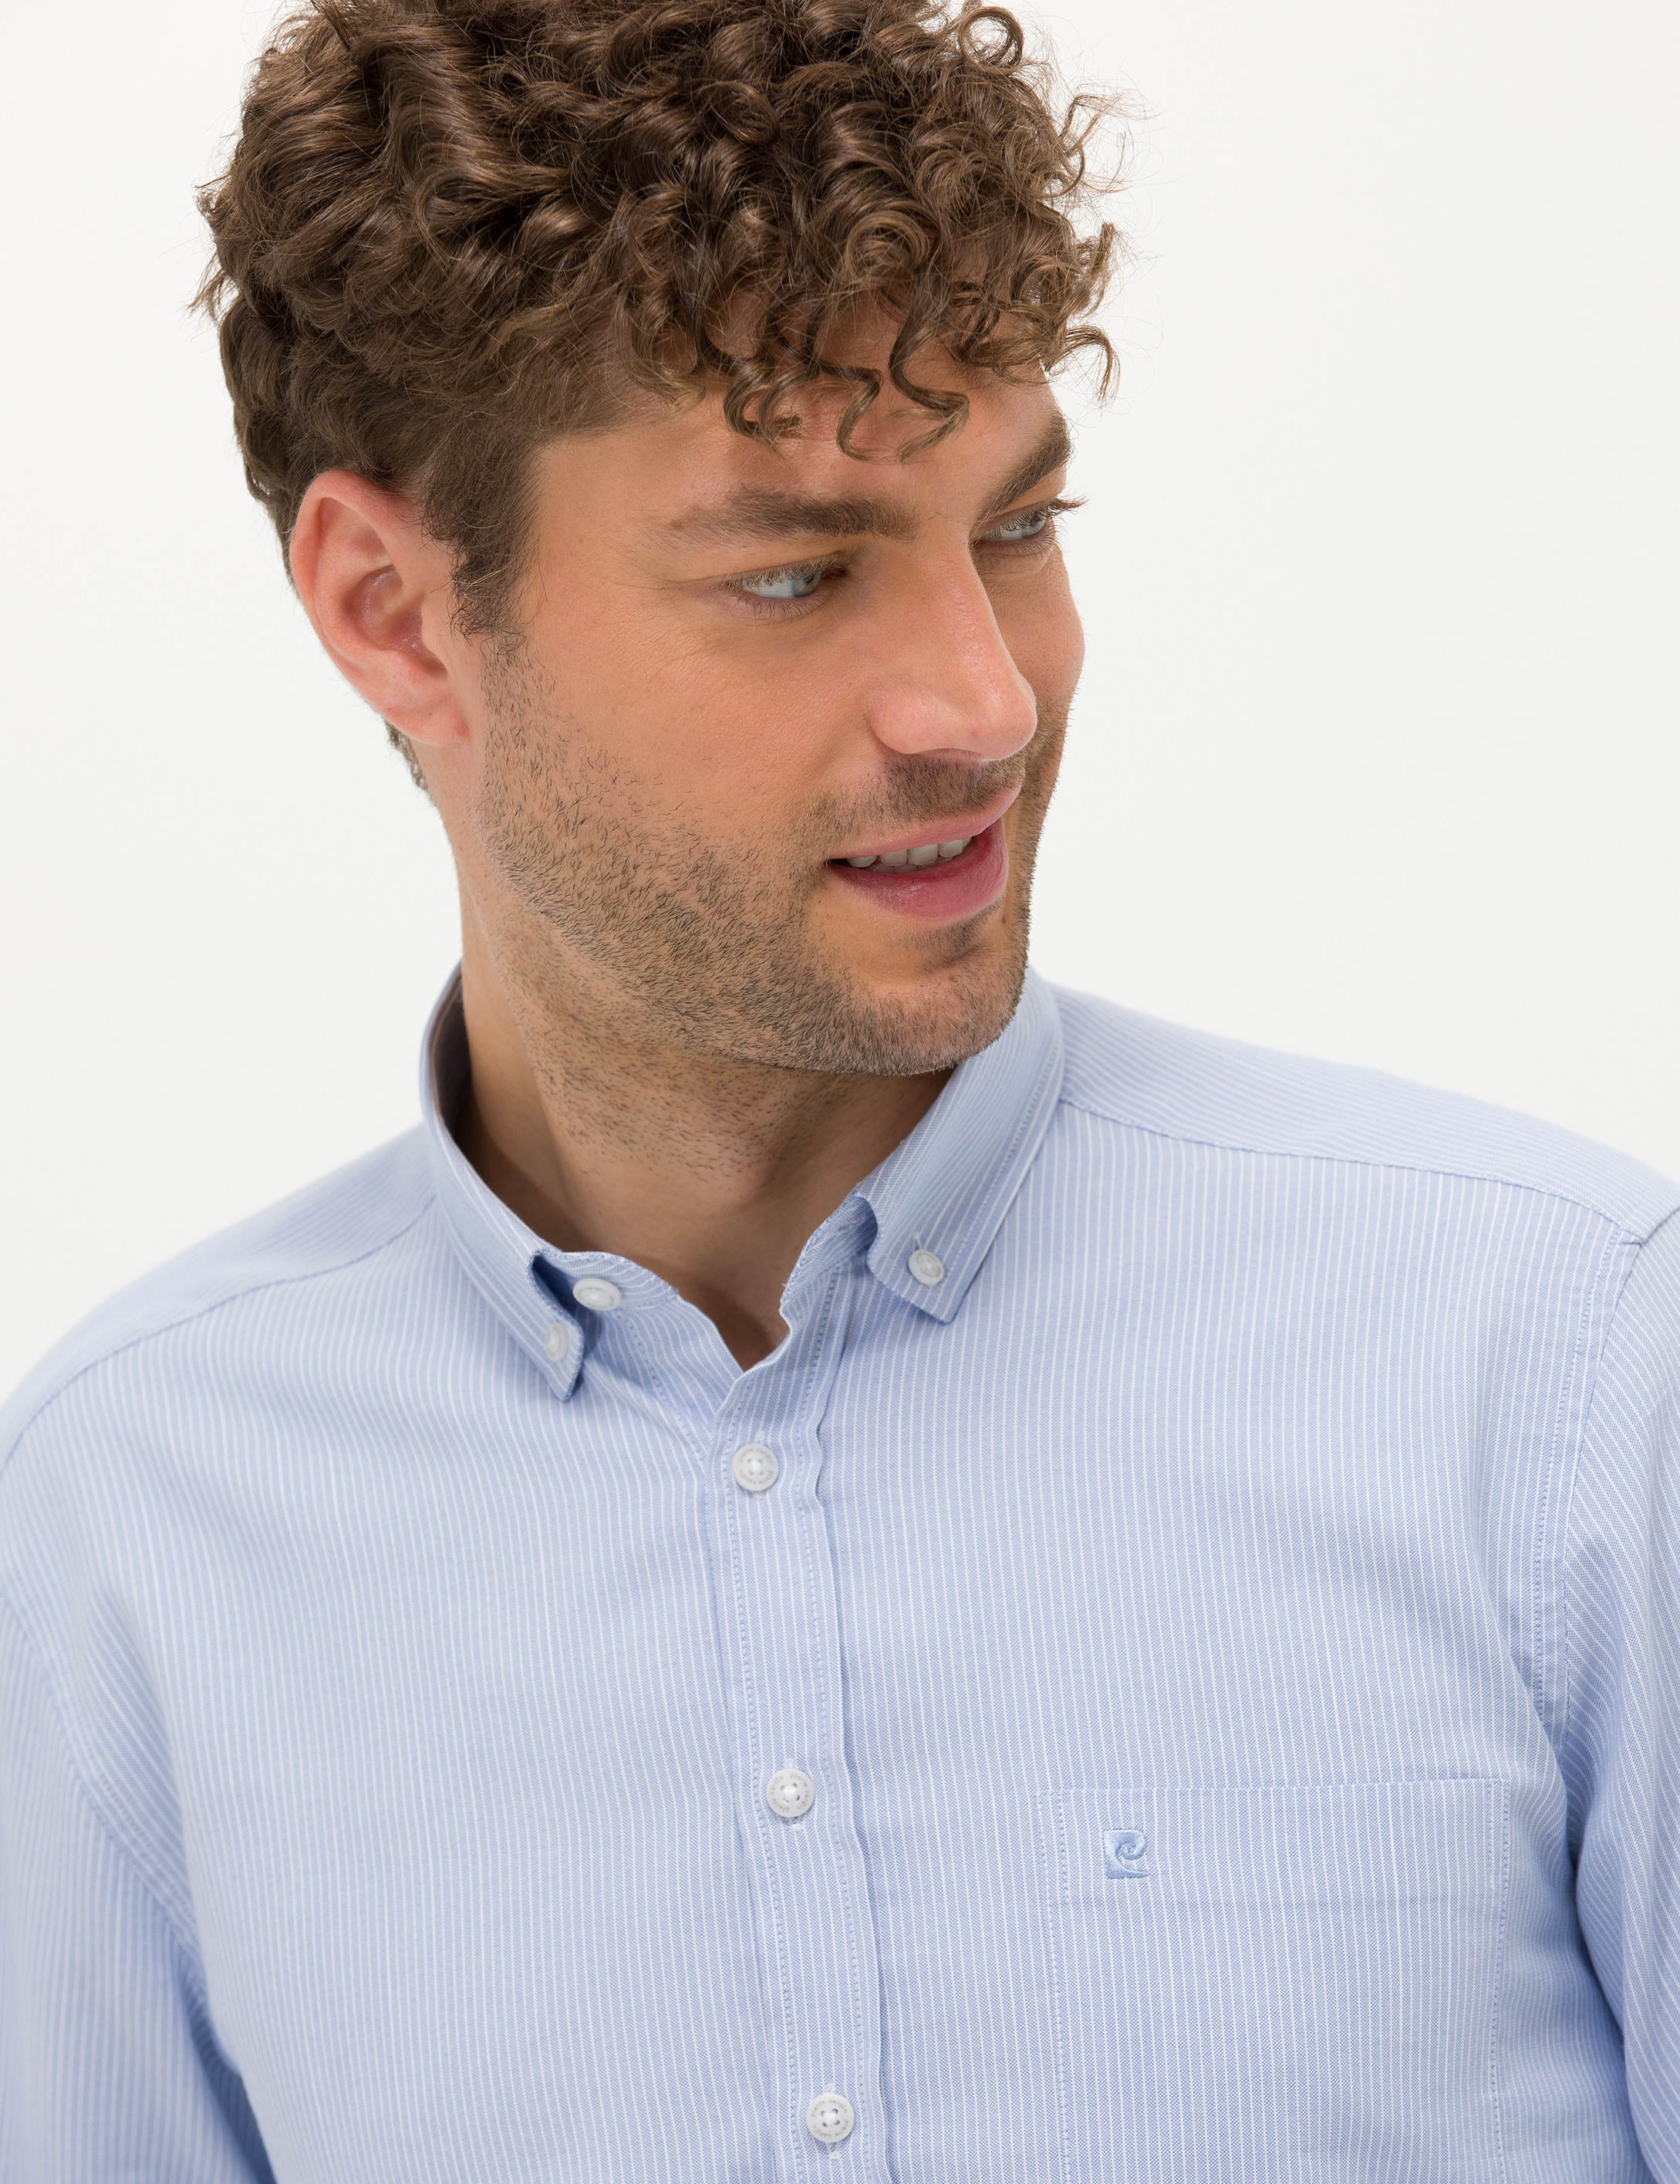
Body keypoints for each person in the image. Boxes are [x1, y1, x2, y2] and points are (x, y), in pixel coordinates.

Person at [2, 0, 1675, 2176]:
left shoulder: (1564, 1364)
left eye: (1018, 525)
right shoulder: (130, 1522)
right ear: (395, 611)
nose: (983, 705)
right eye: (793, 573)